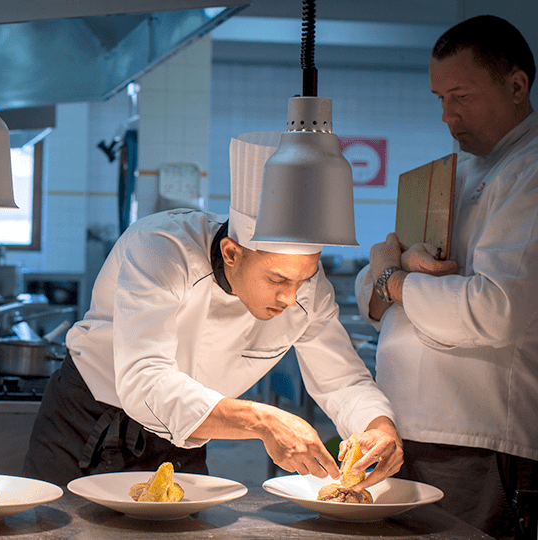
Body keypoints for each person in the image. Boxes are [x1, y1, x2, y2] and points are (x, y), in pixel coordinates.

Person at [23, 131, 403, 489]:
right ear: (232, 253)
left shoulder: (307, 289)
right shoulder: (160, 248)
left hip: (186, 436)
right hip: (86, 421)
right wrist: (262, 420)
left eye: (304, 278)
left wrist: (379, 426)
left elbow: (343, 381)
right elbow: (144, 379)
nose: (292, 297)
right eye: (277, 280)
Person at [355, 15, 538, 540]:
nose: (446, 115)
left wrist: (394, 283)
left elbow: (494, 309)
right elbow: (370, 291)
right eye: (439, 98)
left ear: (517, 85)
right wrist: (393, 273)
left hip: (475, 439)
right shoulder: (451, 172)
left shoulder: (528, 171)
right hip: (405, 428)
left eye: (460, 95)